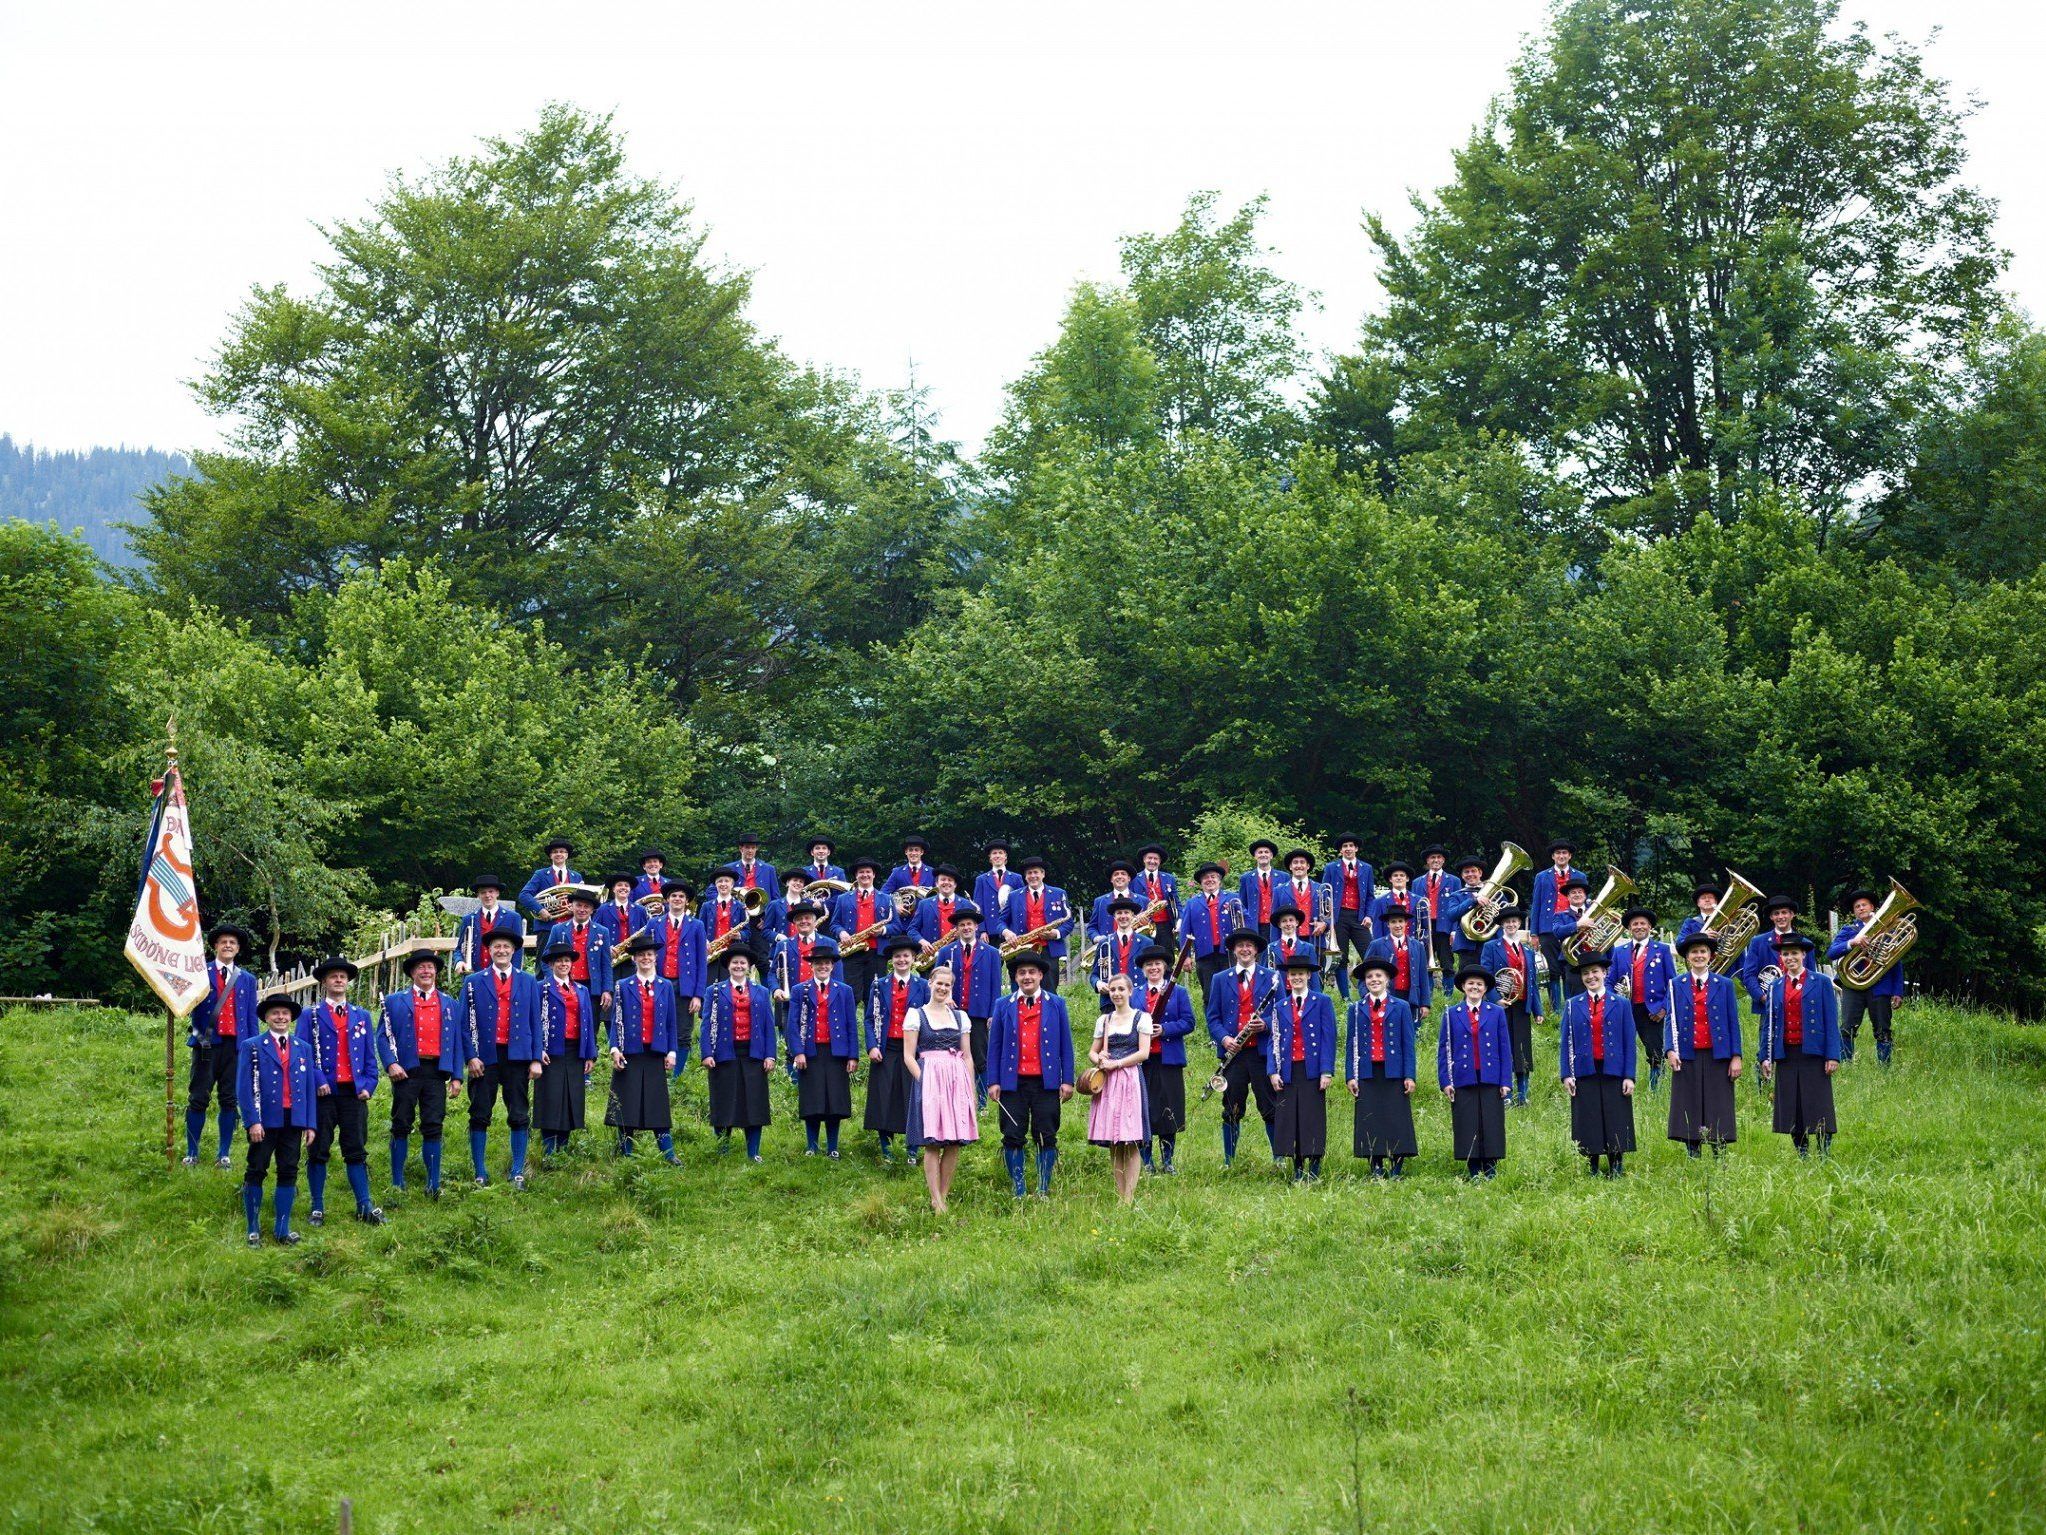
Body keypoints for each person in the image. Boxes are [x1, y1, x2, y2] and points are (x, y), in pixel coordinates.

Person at [301, 957, 385, 1226]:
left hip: (353, 1094)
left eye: (342, 977)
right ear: (324, 982)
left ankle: (364, 1205)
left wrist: (370, 1085)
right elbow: (303, 1054)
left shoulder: (361, 1015)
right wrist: (317, 1079)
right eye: (333, 976)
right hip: (323, 1095)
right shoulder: (309, 1015)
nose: (339, 980)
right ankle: (317, 1207)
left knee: (356, 1150)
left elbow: (370, 1057)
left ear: (347, 982)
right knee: (318, 1149)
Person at [456, 926, 541, 1189]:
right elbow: (462, 1024)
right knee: (480, 1112)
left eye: (506, 947)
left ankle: (517, 1171)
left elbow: (536, 1021)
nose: (501, 951)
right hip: (485, 1057)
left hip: (517, 1057)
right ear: (489, 951)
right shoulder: (473, 982)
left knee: (518, 1113)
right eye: (496, 947)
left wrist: (536, 1058)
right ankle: (480, 1172)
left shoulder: (528, 981)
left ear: (514, 951)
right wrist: (471, 1056)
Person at [987, 950, 1074, 1197]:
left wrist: (1066, 1080)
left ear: (1040, 976)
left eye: (1031, 973)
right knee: (1012, 1134)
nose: (1027, 977)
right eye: (1022, 973)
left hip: (1045, 1082)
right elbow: (994, 1047)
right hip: (1011, 1083)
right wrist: (993, 1081)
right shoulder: (1002, 1005)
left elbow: (1066, 1045)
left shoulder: (1056, 1004)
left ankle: (1043, 1188)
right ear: (1015, 977)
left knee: (1046, 1134)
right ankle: (1019, 1187)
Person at [237, 991, 320, 1246]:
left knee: (288, 1171)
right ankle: (253, 1228)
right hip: (264, 1121)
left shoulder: (303, 1048)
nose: (281, 1017)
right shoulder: (252, 1045)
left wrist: (310, 1123)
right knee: (257, 1170)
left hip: (293, 1120)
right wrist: (252, 1121)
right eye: (275, 1013)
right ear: (266, 1018)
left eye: (285, 1013)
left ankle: (282, 1229)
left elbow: (308, 1089)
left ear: (291, 1018)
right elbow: (243, 1088)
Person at [378, 947, 459, 1198]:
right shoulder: (394, 1001)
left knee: (434, 1125)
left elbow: (456, 1041)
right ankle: (397, 1181)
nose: (426, 971)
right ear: (412, 972)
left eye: (430, 967)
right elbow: (382, 1036)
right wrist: (391, 1064)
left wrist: (457, 1076)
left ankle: (433, 1184)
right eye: (421, 967)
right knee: (401, 1124)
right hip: (406, 1071)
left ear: (436, 972)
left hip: (436, 1072)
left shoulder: (450, 1003)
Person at [1760, 932, 1841, 1157]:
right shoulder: (1775, 986)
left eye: (1794, 953)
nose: (1790, 958)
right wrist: (1765, 1056)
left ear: (1803, 954)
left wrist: (1832, 1055)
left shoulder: (1822, 982)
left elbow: (1831, 1021)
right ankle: (1802, 1154)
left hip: (1813, 1053)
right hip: (1786, 1053)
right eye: (1785, 954)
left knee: (1819, 1104)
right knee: (1793, 1107)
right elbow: (1768, 1025)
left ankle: (1824, 1153)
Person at [906, 963, 980, 1212]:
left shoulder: (960, 1016)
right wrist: (924, 1081)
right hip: (930, 1079)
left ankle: (943, 1196)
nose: (943, 988)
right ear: (930, 983)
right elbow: (909, 1056)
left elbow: (967, 1055)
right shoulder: (917, 1015)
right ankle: (935, 1197)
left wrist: (969, 1087)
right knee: (932, 1142)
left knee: (953, 1142)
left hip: (956, 1080)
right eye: (939, 983)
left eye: (948, 985)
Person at [185, 922, 257, 1167]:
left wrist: (251, 1049)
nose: (228, 945)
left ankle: (223, 1154)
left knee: (229, 1100)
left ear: (237, 949)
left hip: (235, 1048)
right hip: (206, 1045)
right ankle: (191, 1153)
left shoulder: (247, 979)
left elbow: (250, 1017)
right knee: (198, 1098)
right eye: (224, 942)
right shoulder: (199, 973)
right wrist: (198, 1036)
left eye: (233, 943)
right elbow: (186, 1007)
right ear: (215, 945)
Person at [1207, 928, 1280, 1167]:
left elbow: (1283, 1014)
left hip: (1261, 1053)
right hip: (1234, 1054)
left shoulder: (1272, 977)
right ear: (1234, 950)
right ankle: (1229, 1161)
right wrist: (1224, 1039)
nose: (1245, 949)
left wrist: (1266, 1024)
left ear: (1257, 950)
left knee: (1269, 1105)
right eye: (1240, 946)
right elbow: (1213, 1017)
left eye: (1249, 945)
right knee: (1231, 1106)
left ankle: (1278, 1158)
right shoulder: (1220, 978)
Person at [1666, 932, 1743, 1158]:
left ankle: (1719, 1149)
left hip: (1717, 1054)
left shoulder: (1725, 984)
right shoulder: (1675, 984)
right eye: (1694, 952)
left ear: (1710, 955)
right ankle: (1693, 1150)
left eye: (1702, 951)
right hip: (1687, 1054)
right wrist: (1670, 1049)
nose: (1698, 955)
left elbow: (1732, 1022)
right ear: (1687, 957)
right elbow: (1670, 1020)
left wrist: (1736, 1056)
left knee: (1718, 1102)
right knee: (1688, 1101)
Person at [1560, 955, 1636, 1176]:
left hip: (1614, 1069)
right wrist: (1566, 1074)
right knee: (1588, 1117)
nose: (1590, 977)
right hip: (1585, 1070)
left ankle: (1616, 1166)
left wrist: (1629, 1076)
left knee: (1616, 1117)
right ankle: (1592, 1166)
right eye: (1585, 973)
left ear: (1604, 973)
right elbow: (1565, 1041)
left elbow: (1629, 1041)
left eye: (1595, 972)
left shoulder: (1620, 1004)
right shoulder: (1573, 1005)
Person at [607, 934, 681, 1162]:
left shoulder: (666, 986)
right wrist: (615, 1049)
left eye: (649, 954)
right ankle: (625, 1151)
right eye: (641, 955)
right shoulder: (622, 986)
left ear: (655, 957)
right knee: (627, 1102)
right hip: (630, 1051)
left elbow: (671, 1021)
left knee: (657, 1102)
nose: (645, 958)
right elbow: (616, 1019)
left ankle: (667, 1152)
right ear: (634, 959)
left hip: (655, 1052)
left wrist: (671, 1051)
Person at [1264, 952, 1337, 1182]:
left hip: (1312, 1069)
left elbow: (1329, 1038)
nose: (1296, 978)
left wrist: (1326, 1070)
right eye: (1292, 974)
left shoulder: (1322, 1001)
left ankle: (1314, 1167)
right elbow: (1273, 1040)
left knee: (1312, 1118)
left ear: (1308, 976)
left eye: (1300, 974)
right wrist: (1273, 1070)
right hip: (1288, 1070)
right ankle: (1297, 1167)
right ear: (1288, 978)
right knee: (1290, 1119)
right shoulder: (1279, 1006)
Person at [1344, 957, 1416, 1178]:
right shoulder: (1355, 1009)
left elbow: (1408, 1044)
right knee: (1371, 1118)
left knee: (1396, 1117)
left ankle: (1396, 1165)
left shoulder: (1401, 1007)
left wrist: (1409, 1075)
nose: (1374, 980)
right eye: (1369, 977)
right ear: (1364, 982)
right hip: (1367, 1071)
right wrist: (1350, 1076)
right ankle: (1375, 1165)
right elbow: (1351, 1044)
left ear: (1387, 980)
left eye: (1378, 976)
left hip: (1393, 1071)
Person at [785, 941, 859, 1157]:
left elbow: (851, 1025)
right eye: (819, 963)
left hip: (837, 1053)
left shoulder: (844, 991)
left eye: (827, 963)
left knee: (834, 1101)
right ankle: (812, 1146)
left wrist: (853, 1055)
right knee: (812, 1100)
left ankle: (833, 1147)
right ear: (812, 965)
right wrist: (798, 1051)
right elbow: (792, 1024)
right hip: (811, 1052)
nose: (823, 966)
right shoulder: (800, 990)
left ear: (832, 966)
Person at [702, 948, 776, 1162]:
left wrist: (770, 1055)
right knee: (723, 1102)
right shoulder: (714, 991)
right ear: (728, 966)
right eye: (735, 963)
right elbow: (707, 1024)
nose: (739, 966)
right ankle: (722, 1150)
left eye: (743, 963)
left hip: (754, 1054)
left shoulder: (761, 992)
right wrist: (707, 1053)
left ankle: (753, 1152)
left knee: (754, 1103)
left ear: (749, 966)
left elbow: (768, 1026)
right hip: (724, 1054)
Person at [1087, 972, 1154, 1203]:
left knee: (1131, 1138)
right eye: (1113, 990)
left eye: (1121, 989)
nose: (1116, 993)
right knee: (1114, 1140)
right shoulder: (1104, 1020)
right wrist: (1100, 1059)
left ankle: (1129, 1197)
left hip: (1130, 1080)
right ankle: (1120, 1194)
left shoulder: (1141, 1018)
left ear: (1130, 992)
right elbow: (1092, 1052)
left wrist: (1116, 1063)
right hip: (1108, 1083)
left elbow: (1144, 1053)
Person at [1439, 966, 1511, 1178]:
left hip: (1491, 1076)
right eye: (1471, 983)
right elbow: (1444, 1049)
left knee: (1491, 1121)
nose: (1475, 987)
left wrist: (1506, 1080)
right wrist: (1445, 1081)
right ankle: (1473, 1167)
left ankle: (1490, 1167)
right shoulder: (1451, 1014)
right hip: (1463, 1077)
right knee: (1467, 1121)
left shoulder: (1496, 1013)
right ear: (1463, 986)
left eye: (1479, 984)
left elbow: (1504, 1048)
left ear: (1485, 988)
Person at [863, 934, 928, 1162]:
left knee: (913, 1098)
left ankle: (912, 1150)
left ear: (913, 959)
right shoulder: (879, 985)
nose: (902, 960)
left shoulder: (923, 986)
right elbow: (870, 1018)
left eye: (906, 956)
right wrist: (871, 1046)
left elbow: (929, 1019)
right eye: (898, 956)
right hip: (886, 1048)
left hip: (913, 1051)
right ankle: (887, 1150)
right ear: (892, 960)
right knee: (884, 1099)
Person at [1135, 943, 1194, 1174]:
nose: (1153, 968)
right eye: (1149, 965)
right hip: (1143, 1060)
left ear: (1165, 967)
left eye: (1157, 964)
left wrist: (1164, 1029)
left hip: (1169, 1058)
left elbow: (1189, 1022)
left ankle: (1167, 1160)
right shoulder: (1135, 994)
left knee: (1169, 1109)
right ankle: (1146, 1161)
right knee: (1145, 1110)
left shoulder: (1178, 992)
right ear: (1143, 969)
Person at [534, 940, 597, 1158]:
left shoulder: (582, 990)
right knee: (551, 1098)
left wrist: (590, 1053)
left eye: (567, 960)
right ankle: (549, 1150)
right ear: (551, 964)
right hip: (551, 1051)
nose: (564, 964)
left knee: (572, 1098)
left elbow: (589, 1021)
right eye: (559, 961)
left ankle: (563, 1148)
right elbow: (532, 1020)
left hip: (575, 1051)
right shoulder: (541, 987)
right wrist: (537, 1048)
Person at [932, 906, 1000, 1104]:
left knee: (979, 1055)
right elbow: (937, 981)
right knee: (952, 1053)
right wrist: (944, 999)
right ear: (957, 929)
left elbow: (995, 985)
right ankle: (954, 1097)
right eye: (962, 925)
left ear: (976, 927)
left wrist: (992, 1013)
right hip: (952, 1011)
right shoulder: (946, 951)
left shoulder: (991, 953)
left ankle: (981, 1100)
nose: (966, 928)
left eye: (969, 924)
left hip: (978, 1012)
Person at [1830, 887, 1904, 1063]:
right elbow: (1831, 952)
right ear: (1854, 912)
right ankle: (1845, 1065)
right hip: (1853, 986)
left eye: (1864, 905)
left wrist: (1898, 991)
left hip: (1880, 986)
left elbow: (1896, 962)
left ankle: (1884, 1068)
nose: (1861, 908)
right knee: (1847, 1027)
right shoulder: (1849, 930)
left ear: (1873, 908)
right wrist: (1852, 942)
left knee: (1883, 1029)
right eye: (1857, 906)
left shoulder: (1888, 930)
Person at [1608, 907, 1676, 1093]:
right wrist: (1612, 1002)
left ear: (1650, 927)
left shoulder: (1662, 950)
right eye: (1635, 924)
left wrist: (1664, 1008)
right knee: (1619, 1049)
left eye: (1642, 923)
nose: (1639, 927)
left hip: (1652, 1010)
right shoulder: (1619, 951)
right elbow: (1609, 981)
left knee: (1655, 1051)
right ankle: (1620, 1086)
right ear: (1629, 928)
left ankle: (1656, 1089)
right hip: (1625, 1009)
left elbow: (1673, 983)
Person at [1479, 910, 1544, 1105]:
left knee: (1523, 1050)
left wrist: (1538, 1010)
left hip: (1523, 1005)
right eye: (1507, 922)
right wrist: (1495, 999)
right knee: (1504, 1049)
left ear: (1519, 924)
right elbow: (1486, 976)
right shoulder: (1491, 947)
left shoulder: (1528, 951)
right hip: (1502, 1007)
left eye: (1514, 921)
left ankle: (1523, 1095)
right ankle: (1506, 1094)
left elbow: (1533, 982)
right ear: (1502, 925)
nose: (1511, 924)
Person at [648, 879, 708, 1058]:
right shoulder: (654, 924)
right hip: (659, 983)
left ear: (687, 901)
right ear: (667, 899)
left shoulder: (697, 925)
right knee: (658, 1027)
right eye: (673, 895)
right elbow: (645, 956)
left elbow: (701, 962)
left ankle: (677, 1076)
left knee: (683, 1032)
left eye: (682, 896)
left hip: (685, 986)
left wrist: (698, 995)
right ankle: (659, 1068)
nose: (677, 899)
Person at [830, 856, 889, 1030]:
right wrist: (841, 933)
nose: (865, 875)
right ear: (856, 875)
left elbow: (896, 925)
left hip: (876, 953)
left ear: (874, 875)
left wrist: (883, 931)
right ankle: (847, 1033)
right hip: (852, 952)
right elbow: (834, 924)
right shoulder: (843, 899)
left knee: (875, 996)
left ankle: (874, 1033)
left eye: (868, 872)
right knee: (851, 995)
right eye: (861, 872)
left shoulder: (886, 898)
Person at [1178, 862, 1247, 998]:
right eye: (1205, 877)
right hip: (1205, 955)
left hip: (1229, 953)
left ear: (1219, 880)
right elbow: (1185, 931)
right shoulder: (1192, 903)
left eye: (1213, 877)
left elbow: (1246, 921)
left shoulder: (1232, 898)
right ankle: (1212, 1020)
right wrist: (1185, 957)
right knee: (1209, 994)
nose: (1209, 880)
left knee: (1232, 992)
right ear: (1201, 882)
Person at [543, 886, 613, 1020]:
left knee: (590, 1029)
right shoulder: (558, 929)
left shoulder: (602, 931)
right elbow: (545, 959)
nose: (582, 909)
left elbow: (606, 964)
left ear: (592, 910)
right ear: (571, 906)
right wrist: (552, 980)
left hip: (592, 988)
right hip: (564, 984)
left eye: (586, 906)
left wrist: (607, 990)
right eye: (578, 905)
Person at [1323, 835, 1377, 1000]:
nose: (1348, 848)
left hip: (1359, 916)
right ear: (1340, 850)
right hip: (1338, 917)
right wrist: (1327, 919)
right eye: (1344, 846)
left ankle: (1368, 992)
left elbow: (1370, 896)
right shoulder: (1331, 868)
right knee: (1341, 957)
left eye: (1351, 845)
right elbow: (1324, 893)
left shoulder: (1366, 868)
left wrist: (1369, 915)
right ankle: (1345, 997)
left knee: (1370, 953)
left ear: (1356, 848)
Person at [1529, 839, 1580, 1011]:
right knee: (1552, 969)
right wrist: (1534, 933)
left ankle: (1570, 1005)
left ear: (1570, 856)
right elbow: (1536, 904)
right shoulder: (1542, 877)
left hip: (1572, 926)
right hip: (1547, 927)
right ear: (1553, 856)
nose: (1561, 856)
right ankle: (1555, 1008)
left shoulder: (1580, 876)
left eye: (1564, 853)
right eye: (1558, 853)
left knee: (1570, 967)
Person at [1361, 907, 1430, 1021]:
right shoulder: (1376, 945)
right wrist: (1366, 995)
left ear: (1406, 923)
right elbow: (1365, 972)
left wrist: (1425, 1003)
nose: (1397, 925)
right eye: (1393, 922)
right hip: (1386, 995)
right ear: (1388, 924)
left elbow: (1423, 975)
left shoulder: (1418, 946)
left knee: (1410, 1034)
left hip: (1411, 997)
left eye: (1400, 921)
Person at [1740, 895, 1803, 1017]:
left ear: (1792, 914)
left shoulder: (1805, 943)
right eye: (1776, 913)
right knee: (1768, 1036)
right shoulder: (1758, 942)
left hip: (1798, 1004)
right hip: (1767, 1005)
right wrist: (1762, 997)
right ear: (1771, 917)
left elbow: (1810, 975)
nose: (1780, 917)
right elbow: (1748, 974)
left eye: (1784, 912)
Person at [1012, 856, 1074, 971]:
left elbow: (1069, 923)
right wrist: (1006, 933)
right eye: (1029, 873)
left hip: (1050, 949)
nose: (1033, 876)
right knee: (1025, 986)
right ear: (1025, 876)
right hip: (1023, 948)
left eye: (1036, 872)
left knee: (1049, 987)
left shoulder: (1059, 893)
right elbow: (1002, 921)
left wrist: (1056, 933)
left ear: (1043, 874)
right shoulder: (1014, 896)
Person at [452, 876, 522, 976]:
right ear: (478, 895)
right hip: (474, 975)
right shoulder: (468, 919)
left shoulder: (513, 918)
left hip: (502, 975)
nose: (487, 895)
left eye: (491, 891)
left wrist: (515, 976)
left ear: (497, 893)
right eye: (483, 892)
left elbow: (518, 950)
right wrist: (459, 962)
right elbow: (459, 948)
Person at [516, 836, 582, 941]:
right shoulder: (540, 874)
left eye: (562, 851)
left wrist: (575, 909)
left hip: (571, 926)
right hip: (547, 927)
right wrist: (540, 910)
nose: (559, 854)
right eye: (555, 852)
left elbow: (582, 900)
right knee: (544, 957)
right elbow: (524, 895)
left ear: (567, 855)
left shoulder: (576, 876)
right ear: (550, 855)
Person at [1091, 894, 1145, 1008]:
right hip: (1110, 1001)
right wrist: (1098, 983)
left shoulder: (1146, 942)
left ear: (1133, 915)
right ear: (1114, 917)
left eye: (1126, 912)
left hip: (1138, 1000)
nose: (1123, 916)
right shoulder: (1104, 943)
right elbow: (1094, 975)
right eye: (1119, 913)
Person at [1416, 845, 1459, 981]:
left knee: (1447, 962)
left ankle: (1448, 996)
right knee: (1424, 963)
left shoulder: (1454, 881)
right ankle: (1427, 995)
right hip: (1424, 927)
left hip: (1444, 926)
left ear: (1443, 860)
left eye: (1439, 857)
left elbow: (1457, 907)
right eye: (1432, 857)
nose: (1436, 860)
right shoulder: (1417, 882)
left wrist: (1454, 930)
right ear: (1427, 861)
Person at [1443, 853, 1489, 973]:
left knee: (1492, 977)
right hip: (1467, 943)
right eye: (1466, 872)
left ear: (1480, 873)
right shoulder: (1457, 895)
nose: (1470, 874)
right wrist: (1473, 901)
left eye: (1473, 871)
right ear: (1462, 875)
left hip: (1491, 941)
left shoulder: (1493, 892)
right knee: (1469, 977)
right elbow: (1451, 915)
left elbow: (1505, 912)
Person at [910, 864, 968, 953]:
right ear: (936, 883)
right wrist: (922, 942)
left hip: (958, 953)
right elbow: (912, 930)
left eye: (950, 880)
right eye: (943, 879)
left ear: (955, 884)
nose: (946, 882)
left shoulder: (966, 904)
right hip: (930, 954)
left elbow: (976, 931)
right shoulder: (924, 904)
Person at [1265, 903, 1323, 991]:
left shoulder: (1308, 948)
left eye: (1291, 920)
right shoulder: (1270, 948)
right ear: (1279, 925)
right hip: (1279, 994)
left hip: (1302, 992)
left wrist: (1317, 1000)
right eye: (1284, 921)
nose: (1288, 924)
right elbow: (1264, 974)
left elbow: (1314, 977)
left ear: (1297, 923)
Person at [973, 840, 1023, 942]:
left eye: (1000, 853)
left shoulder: (1016, 878)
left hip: (1012, 929)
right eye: (994, 853)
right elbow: (978, 907)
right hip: (989, 932)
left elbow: (1021, 905)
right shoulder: (981, 879)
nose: (997, 856)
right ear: (990, 858)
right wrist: (982, 930)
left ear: (1005, 857)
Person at [1134, 844, 1178, 949]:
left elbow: (1176, 901)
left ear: (1159, 861)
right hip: (1143, 925)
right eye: (1149, 858)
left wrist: (1179, 919)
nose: (1152, 861)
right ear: (1144, 859)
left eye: (1156, 859)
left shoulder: (1169, 878)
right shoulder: (1134, 879)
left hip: (1165, 925)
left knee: (1166, 957)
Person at [1239, 838, 1281, 942]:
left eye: (1266, 852)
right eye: (1260, 852)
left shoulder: (1283, 877)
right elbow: (1242, 903)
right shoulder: (1246, 878)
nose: (1263, 854)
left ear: (1271, 856)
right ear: (1255, 856)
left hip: (1277, 924)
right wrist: (1248, 920)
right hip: (1255, 925)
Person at [594, 871, 648, 947]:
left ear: (630, 889)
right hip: (611, 954)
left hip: (634, 955)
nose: (623, 888)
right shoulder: (602, 909)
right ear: (613, 889)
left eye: (626, 886)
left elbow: (644, 934)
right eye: (619, 885)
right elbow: (594, 933)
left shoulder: (640, 910)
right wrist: (606, 948)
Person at [1369, 860, 1417, 932]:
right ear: (1390, 879)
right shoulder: (1379, 902)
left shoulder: (1418, 900)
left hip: (1413, 942)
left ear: (1407, 878)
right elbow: (1377, 930)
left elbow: (1425, 927)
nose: (1399, 878)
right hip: (1389, 942)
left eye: (1402, 875)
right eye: (1395, 875)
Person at [730, 834, 778, 905]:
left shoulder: (769, 869)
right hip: (738, 913)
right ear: (741, 848)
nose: (750, 850)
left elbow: (775, 897)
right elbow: (711, 891)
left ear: (756, 849)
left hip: (763, 913)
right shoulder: (730, 868)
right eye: (747, 847)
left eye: (753, 848)